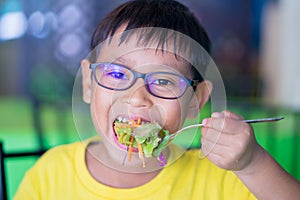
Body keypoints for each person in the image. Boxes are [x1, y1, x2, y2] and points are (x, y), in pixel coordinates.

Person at [14, 0, 300, 199]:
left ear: (195, 101)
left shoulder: (223, 177)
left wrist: (253, 164)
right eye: (116, 73)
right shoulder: (50, 174)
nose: (137, 98)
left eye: (163, 81)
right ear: (88, 84)